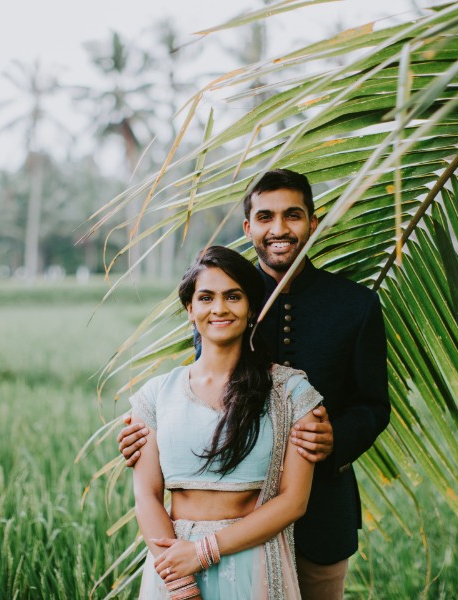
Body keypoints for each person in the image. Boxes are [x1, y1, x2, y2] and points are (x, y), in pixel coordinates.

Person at [121, 169, 390, 598]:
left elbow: (374, 404)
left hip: (319, 506)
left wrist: (334, 438)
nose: (279, 229)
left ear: (313, 223)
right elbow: (202, 389)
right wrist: (148, 431)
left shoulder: (356, 305)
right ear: (249, 228)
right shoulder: (228, 295)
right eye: (265, 217)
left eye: (293, 216)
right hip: (227, 512)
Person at [129, 245, 324, 599]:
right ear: (191, 309)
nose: (219, 308)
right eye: (206, 298)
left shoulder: (291, 392)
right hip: (172, 566)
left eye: (233, 296)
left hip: (252, 562)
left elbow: (294, 500)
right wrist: (179, 581)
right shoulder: (157, 394)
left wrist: (202, 553)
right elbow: (146, 494)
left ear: (251, 308)